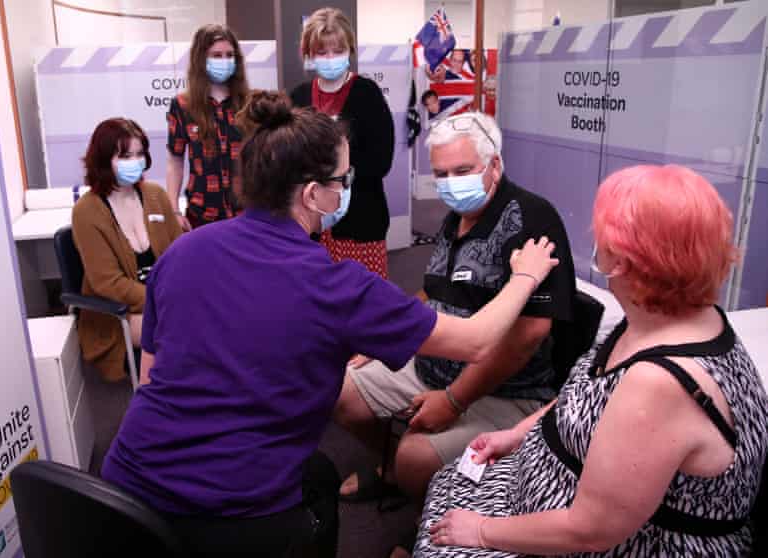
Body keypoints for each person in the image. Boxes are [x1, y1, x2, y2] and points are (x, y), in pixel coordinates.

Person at [101, 91, 560, 558]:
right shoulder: (337, 286)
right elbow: (478, 340)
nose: (345, 189)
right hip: (233, 517)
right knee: (313, 485)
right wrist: (525, 276)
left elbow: (152, 379)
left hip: (123, 501)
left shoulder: (184, 251)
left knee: (319, 472)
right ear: (312, 195)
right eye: (343, 180)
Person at [415, 164, 768, 557]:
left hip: (626, 543)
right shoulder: (663, 317)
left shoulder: (660, 383)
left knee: (444, 527)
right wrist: (518, 434)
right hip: (552, 489)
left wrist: (481, 531)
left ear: (622, 262)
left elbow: (591, 531)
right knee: (448, 483)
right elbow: (587, 395)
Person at [333, 111, 575, 556]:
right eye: (441, 174)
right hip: (431, 364)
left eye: (462, 171)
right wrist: (389, 338)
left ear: (494, 165)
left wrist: (454, 400)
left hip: (503, 389)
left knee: (416, 458)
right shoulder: (455, 218)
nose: (450, 184)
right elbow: (434, 289)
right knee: (337, 388)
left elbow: (529, 334)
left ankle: (427, 517)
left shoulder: (532, 220)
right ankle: (394, 472)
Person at [72, 118, 182, 382]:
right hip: (119, 314)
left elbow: (180, 256)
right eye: (125, 156)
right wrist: (164, 300)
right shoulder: (87, 211)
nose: (135, 161)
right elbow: (108, 283)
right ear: (103, 160)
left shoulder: (155, 195)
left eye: (139, 154)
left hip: (166, 301)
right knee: (183, 331)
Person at [291, 7, 395, 278]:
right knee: (317, 293)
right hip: (310, 223)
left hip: (360, 220)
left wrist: (334, 176)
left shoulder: (367, 94)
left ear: (350, 50)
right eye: (322, 52)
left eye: (337, 51)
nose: (330, 58)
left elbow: (381, 160)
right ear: (309, 53)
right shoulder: (299, 97)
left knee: (364, 293)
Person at [166, 24, 249, 231]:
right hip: (201, 215)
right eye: (217, 55)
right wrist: (174, 209)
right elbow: (175, 160)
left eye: (229, 55)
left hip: (246, 213)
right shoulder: (183, 106)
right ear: (201, 59)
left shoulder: (249, 103)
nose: (224, 61)